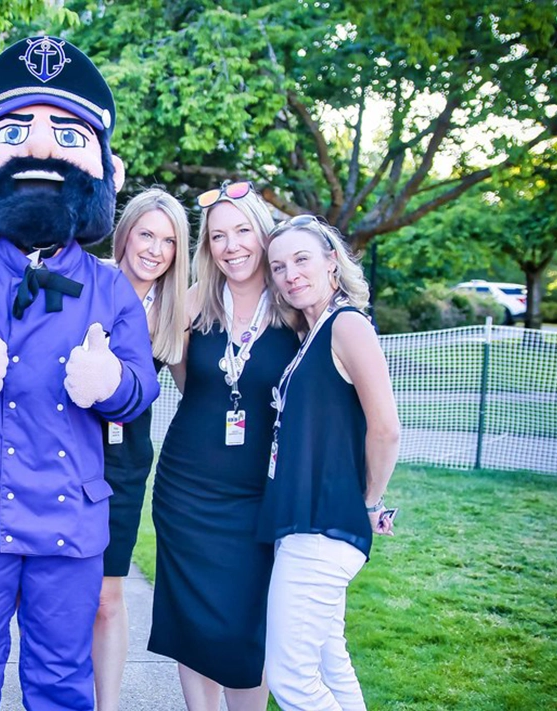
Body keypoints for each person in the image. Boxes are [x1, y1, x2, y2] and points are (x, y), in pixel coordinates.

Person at [0, 36, 160, 711]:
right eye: (15, 131)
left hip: (69, 520)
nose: (40, 149)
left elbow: (142, 387)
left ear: (109, 170)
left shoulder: (108, 286)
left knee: (60, 678)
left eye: (64, 133)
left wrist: (114, 386)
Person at [149, 182, 299, 711]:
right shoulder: (193, 302)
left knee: (245, 625)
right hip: (185, 488)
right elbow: (186, 383)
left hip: (258, 493)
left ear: (263, 234)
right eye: (217, 236)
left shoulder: (295, 309)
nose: (231, 246)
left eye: (242, 232)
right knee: (189, 620)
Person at [260, 214, 401, 711]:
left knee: (290, 676)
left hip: (324, 525)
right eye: (278, 266)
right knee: (326, 660)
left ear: (332, 263)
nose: (290, 273)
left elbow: (386, 429)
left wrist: (368, 502)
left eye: (301, 259)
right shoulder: (314, 332)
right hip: (306, 521)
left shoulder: (347, 325)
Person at [93, 187, 190, 711]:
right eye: (146, 234)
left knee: (108, 597)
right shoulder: (89, 284)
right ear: (125, 232)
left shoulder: (173, 309)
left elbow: (197, 390)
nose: (154, 249)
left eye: (168, 240)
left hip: (125, 460)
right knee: (60, 594)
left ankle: (107, 705)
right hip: (68, 450)